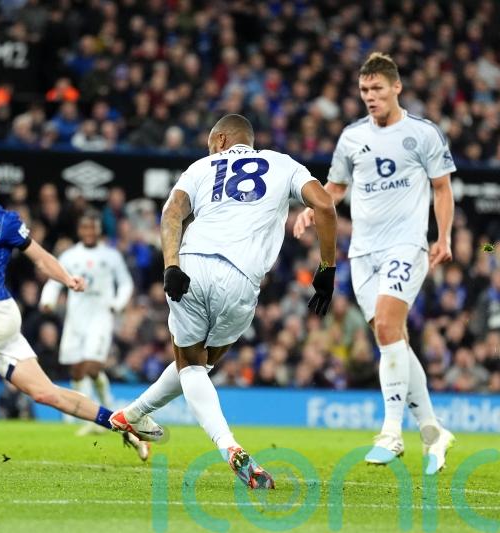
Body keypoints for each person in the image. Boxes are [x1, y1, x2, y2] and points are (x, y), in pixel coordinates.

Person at [109, 114, 338, 489]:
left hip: (192, 265)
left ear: (219, 139)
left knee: (192, 365)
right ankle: (217, 442)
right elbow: (326, 206)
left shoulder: (201, 167)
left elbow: (171, 214)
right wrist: (327, 268)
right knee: (200, 365)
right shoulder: (283, 164)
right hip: (242, 278)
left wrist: (171, 266)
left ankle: (136, 416)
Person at [0, 153, 152, 460]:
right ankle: (122, 423)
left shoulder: (6, 221)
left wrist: (67, 278)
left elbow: (40, 256)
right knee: (45, 393)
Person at [293, 52, 457, 474]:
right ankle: (433, 430)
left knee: (386, 327)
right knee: (393, 340)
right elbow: (336, 187)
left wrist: (444, 236)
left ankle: (391, 432)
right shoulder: (351, 137)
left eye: (377, 89)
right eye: (365, 90)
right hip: (362, 255)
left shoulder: (423, 134)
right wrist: (315, 207)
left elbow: (441, 188)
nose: (370, 96)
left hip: (406, 246)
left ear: (396, 88)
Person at [39, 210, 134, 435]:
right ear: (80, 230)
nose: (89, 232)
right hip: (76, 319)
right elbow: (55, 280)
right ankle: (94, 415)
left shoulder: (111, 256)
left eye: (93, 227)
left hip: (101, 316)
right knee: (78, 371)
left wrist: (117, 304)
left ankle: (100, 415)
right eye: (85, 228)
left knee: (92, 365)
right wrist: (48, 300)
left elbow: (126, 283)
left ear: (99, 230)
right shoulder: (70, 256)